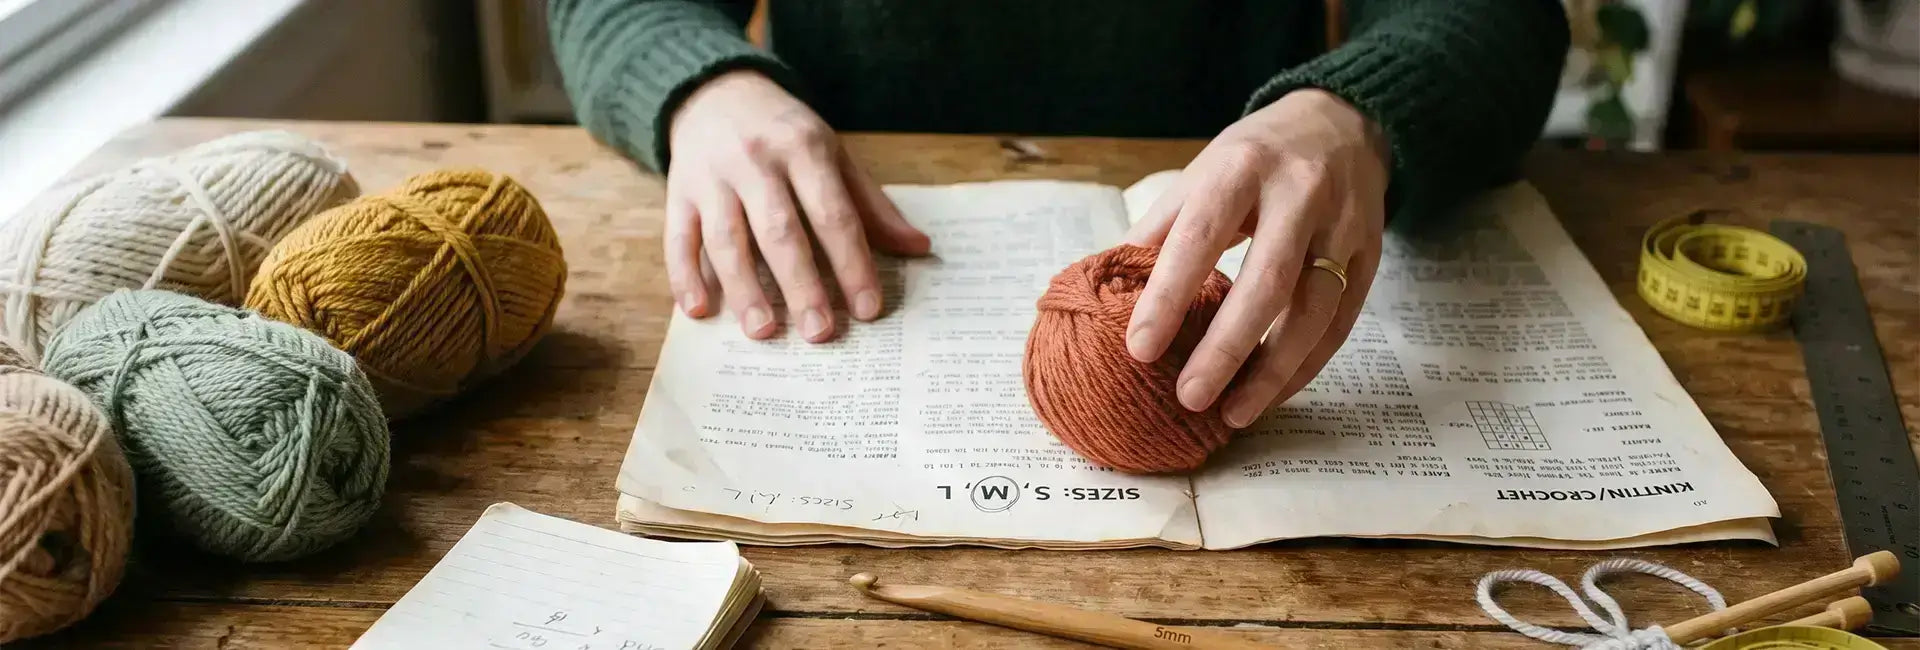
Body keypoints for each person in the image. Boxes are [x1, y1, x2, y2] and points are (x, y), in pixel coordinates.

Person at [548, 0, 1569, 428]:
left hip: (1265, 218)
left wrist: (1362, 111)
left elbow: (1504, 15)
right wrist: (700, 85)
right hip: (867, 231)